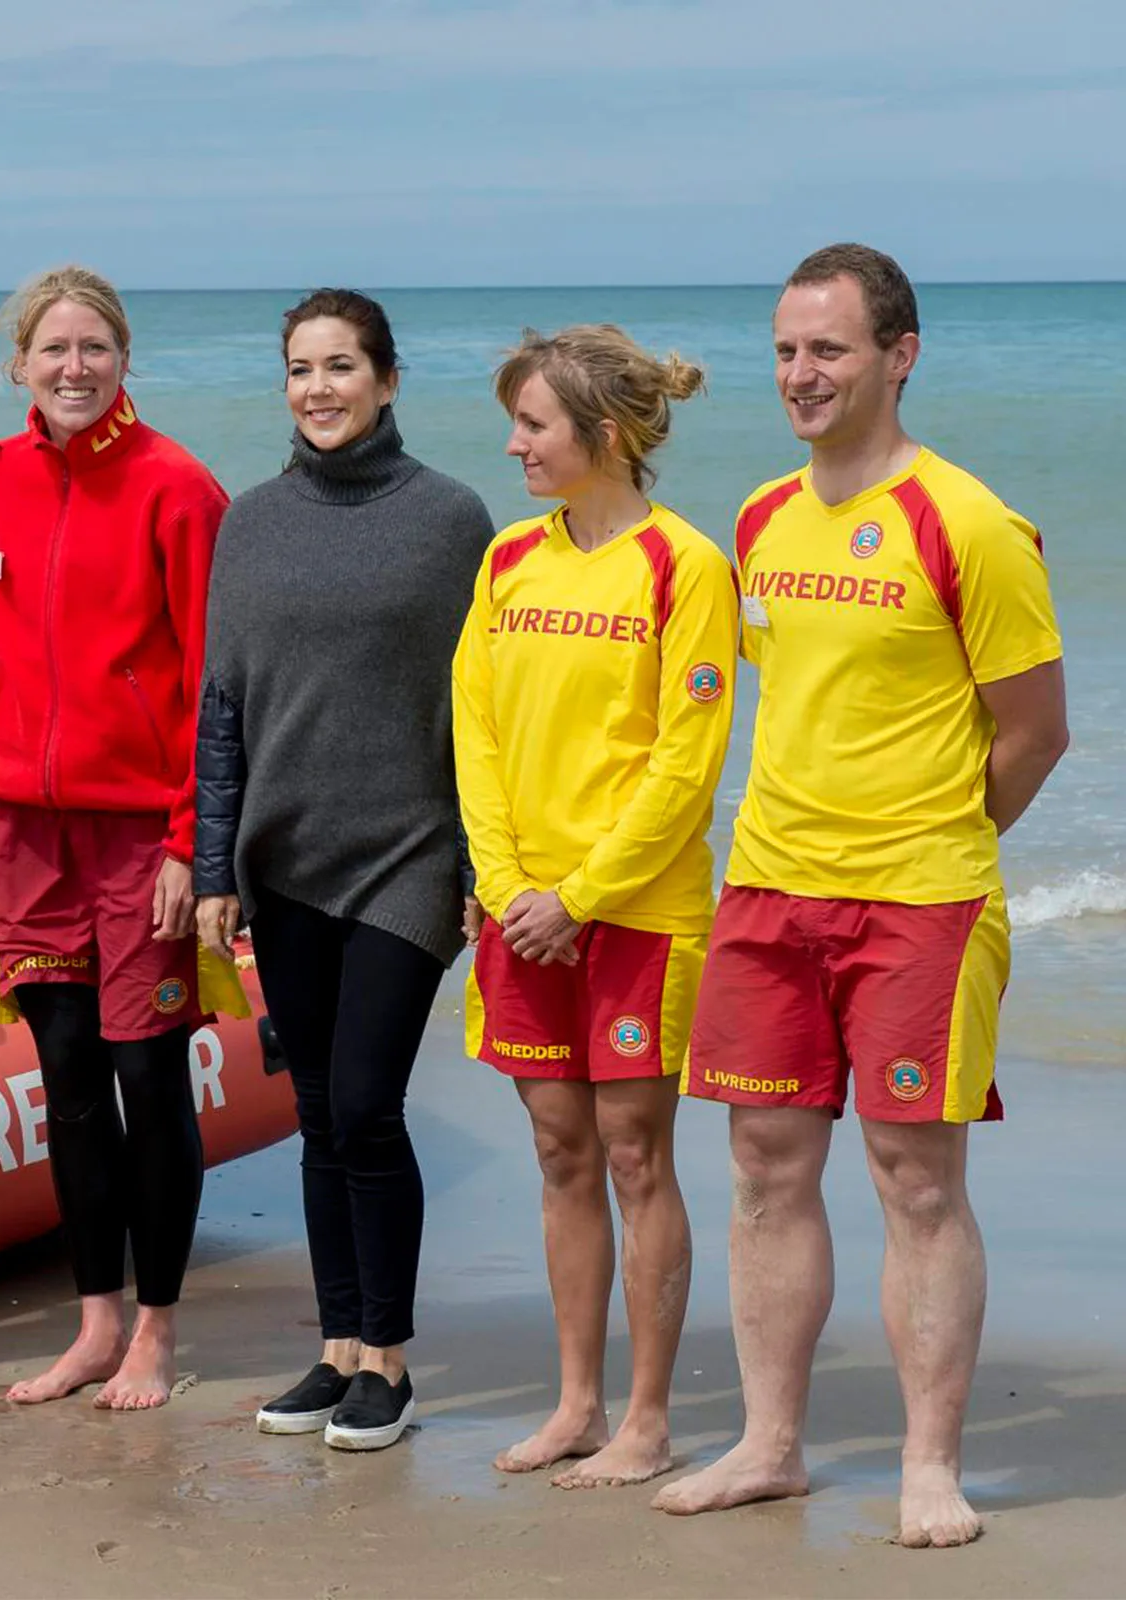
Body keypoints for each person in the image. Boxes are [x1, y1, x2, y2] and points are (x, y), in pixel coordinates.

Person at [652, 245, 1068, 1547]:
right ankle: (770, 1445)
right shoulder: (767, 518)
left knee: (915, 1180)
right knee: (765, 1171)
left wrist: (940, 835)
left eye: (827, 349)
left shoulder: (973, 524)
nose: (800, 373)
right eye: (785, 350)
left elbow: (1035, 731)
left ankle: (928, 1468)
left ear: (901, 353)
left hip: (922, 904)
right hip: (769, 892)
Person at [195, 289, 493, 1451]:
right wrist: (216, 864)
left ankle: (393, 1363)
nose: (319, 389)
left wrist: (479, 855)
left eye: (341, 367)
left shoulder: (451, 519)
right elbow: (222, 707)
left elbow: (484, 705)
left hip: (409, 856)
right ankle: (335, 1350)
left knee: (367, 1103)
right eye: (300, 369)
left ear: (387, 379)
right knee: (319, 1114)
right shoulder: (251, 522)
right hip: (286, 856)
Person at [452, 326, 735, 1486]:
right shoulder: (509, 560)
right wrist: (510, 882)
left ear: (603, 436)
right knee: (559, 1149)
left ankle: (650, 1421)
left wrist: (584, 893)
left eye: (535, 425)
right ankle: (575, 1403)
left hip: (637, 913)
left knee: (633, 1154)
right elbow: (474, 726)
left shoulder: (686, 564)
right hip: (522, 910)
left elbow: (688, 759)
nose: (514, 444)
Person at [0, 266, 228, 1411]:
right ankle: (92, 1324)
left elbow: (216, 681)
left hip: (139, 837)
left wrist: (189, 841)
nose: (75, 368)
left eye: (97, 348)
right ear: (19, 362)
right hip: (26, 826)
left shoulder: (178, 486)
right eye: (54, 349)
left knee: (146, 1073)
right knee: (65, 1078)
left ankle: (158, 1334)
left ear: (125, 361)